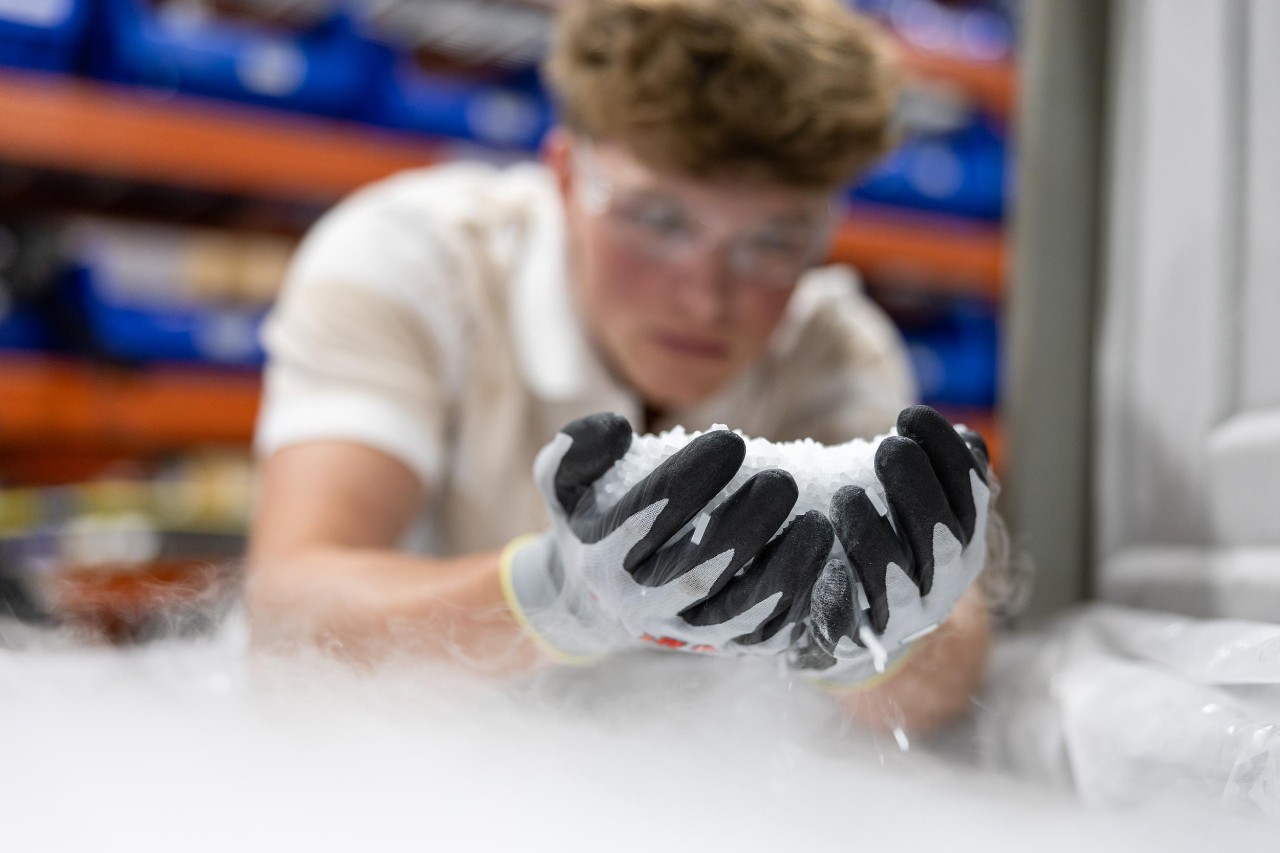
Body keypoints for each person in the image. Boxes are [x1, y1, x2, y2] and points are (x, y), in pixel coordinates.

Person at [246, 0, 996, 734]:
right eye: (658, 219)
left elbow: (940, 684)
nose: (706, 298)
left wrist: (878, 641)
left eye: (773, 240)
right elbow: (287, 620)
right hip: (407, 757)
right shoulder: (411, 262)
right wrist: (557, 596)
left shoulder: (836, 351)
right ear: (567, 176)